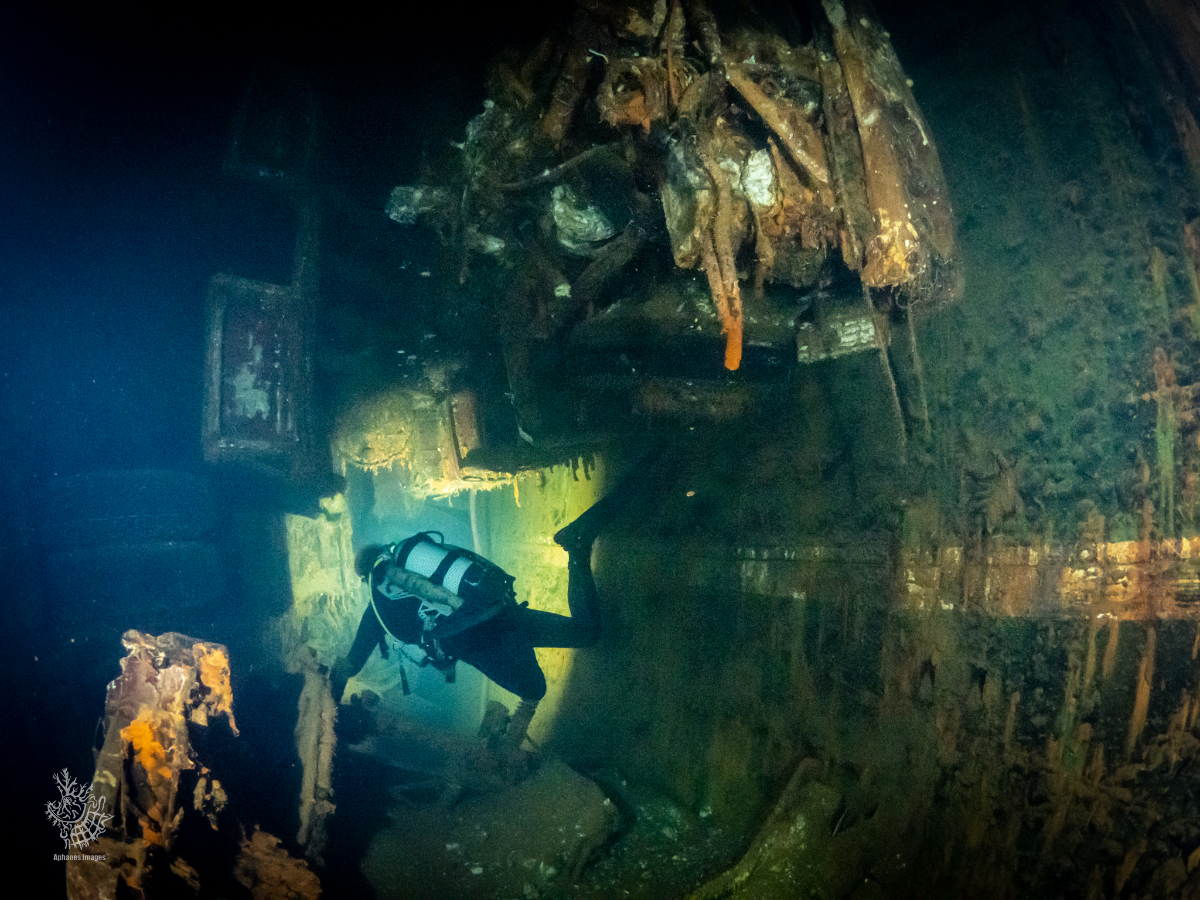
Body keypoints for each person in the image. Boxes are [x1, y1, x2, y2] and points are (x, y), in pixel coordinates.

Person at [328, 448, 664, 754]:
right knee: (585, 632)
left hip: (481, 639)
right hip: (497, 610)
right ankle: (577, 546)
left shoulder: (377, 612)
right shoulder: (411, 560)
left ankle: (505, 751)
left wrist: (329, 709)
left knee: (534, 688)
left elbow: (351, 663)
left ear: (367, 582)